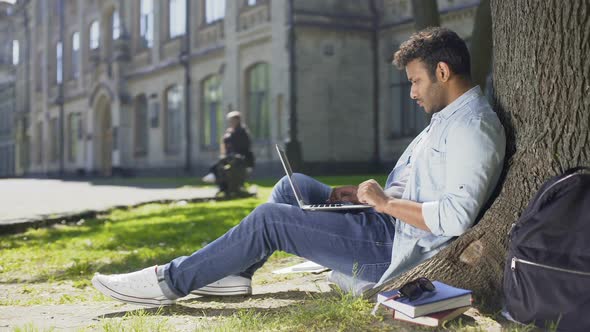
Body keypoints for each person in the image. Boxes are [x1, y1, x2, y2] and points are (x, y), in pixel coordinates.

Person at [91, 27, 506, 306]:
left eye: (415, 81)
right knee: (296, 188)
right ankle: (236, 275)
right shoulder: (447, 118)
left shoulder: (472, 128)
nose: (412, 92)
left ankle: (170, 281)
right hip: (389, 225)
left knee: (270, 218)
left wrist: (382, 204)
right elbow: (426, 187)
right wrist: (372, 196)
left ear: (443, 71)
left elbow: (454, 216)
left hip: (390, 249)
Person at [202, 111, 255, 194]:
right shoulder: (229, 131)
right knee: (218, 168)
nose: (230, 122)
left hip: (239, 159)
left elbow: (244, 147)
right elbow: (224, 144)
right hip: (229, 157)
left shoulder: (242, 131)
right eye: (229, 120)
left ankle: (227, 186)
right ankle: (222, 186)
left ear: (237, 120)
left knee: (228, 169)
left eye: (232, 120)